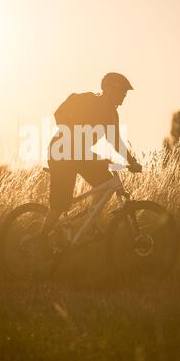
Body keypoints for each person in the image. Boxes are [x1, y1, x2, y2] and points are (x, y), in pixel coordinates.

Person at [41, 72, 142, 238]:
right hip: (62, 152)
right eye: (122, 91)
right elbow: (59, 115)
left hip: (80, 155)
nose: (124, 95)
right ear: (110, 89)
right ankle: (41, 239)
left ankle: (89, 223)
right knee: (60, 204)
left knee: (106, 183)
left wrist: (131, 161)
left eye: (125, 92)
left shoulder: (112, 114)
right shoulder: (89, 101)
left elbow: (115, 140)